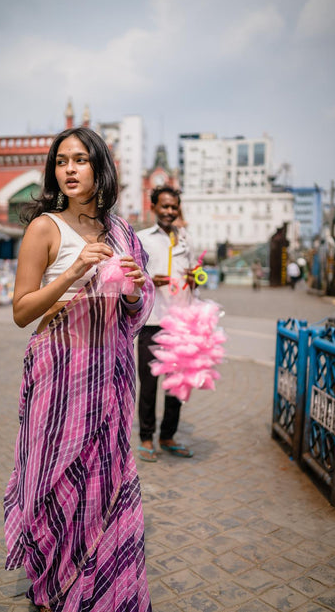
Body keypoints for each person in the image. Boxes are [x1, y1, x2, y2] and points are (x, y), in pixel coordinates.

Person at [3, 127, 154, 612]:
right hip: (59, 376)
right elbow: (22, 311)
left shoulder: (122, 232)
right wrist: (73, 272)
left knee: (103, 480)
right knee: (52, 481)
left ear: (99, 168)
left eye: (80, 160)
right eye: (61, 161)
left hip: (109, 375)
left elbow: (138, 304)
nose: (68, 169)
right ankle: (52, 585)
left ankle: (101, 587)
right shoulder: (45, 228)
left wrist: (132, 290)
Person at [137, 186, 196, 463]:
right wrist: (149, 280)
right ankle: (146, 438)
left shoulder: (186, 240)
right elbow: (130, 278)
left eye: (174, 207)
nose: (170, 212)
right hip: (151, 321)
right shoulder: (142, 239)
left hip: (181, 323)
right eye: (165, 206)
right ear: (154, 207)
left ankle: (168, 436)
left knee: (176, 386)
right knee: (148, 385)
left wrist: (195, 279)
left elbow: (193, 276)